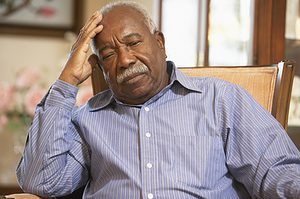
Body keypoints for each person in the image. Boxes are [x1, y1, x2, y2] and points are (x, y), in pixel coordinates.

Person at [16, 1, 300, 199]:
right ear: (100, 67)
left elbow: (275, 172)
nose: (125, 60)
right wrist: (65, 81)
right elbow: (42, 181)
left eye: (133, 43)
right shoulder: (86, 119)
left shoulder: (221, 100)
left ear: (160, 43)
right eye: (109, 55)